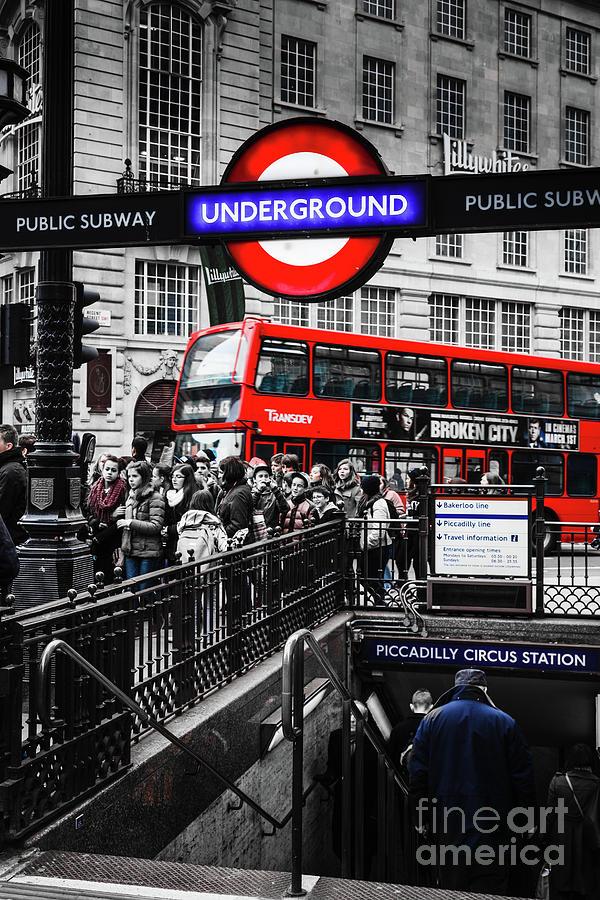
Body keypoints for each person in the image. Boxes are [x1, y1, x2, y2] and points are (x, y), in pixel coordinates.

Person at [409, 668, 535, 895]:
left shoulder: (431, 720)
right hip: (493, 822)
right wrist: (527, 818)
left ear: (455, 688)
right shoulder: (505, 722)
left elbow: (418, 773)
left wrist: (421, 817)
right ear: (484, 689)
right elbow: (522, 776)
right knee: (490, 885)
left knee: (452, 885)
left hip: (447, 821)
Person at [545, 743, 600, 900]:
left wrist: (542, 837)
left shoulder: (558, 781)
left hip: (561, 836)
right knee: (586, 882)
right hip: (587, 839)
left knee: (560, 884)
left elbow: (550, 813)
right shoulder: (596, 783)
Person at [117, 460, 165, 582]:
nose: (131, 479)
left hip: (148, 552)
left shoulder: (155, 497)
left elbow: (156, 526)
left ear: (144, 478)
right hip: (131, 550)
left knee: (144, 591)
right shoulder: (130, 496)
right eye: (129, 476)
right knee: (131, 590)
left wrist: (130, 523)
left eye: (135, 476)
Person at [86, 454, 127, 583]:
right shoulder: (95, 488)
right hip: (97, 538)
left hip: (112, 541)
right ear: (102, 470)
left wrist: (112, 518)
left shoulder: (122, 489)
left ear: (119, 473)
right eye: (107, 469)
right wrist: (97, 523)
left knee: (110, 577)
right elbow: (88, 512)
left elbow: (122, 522)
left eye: (113, 470)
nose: (109, 473)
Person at [358, 474, 390, 606]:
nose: (361, 490)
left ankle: (380, 602)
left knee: (372, 578)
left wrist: (366, 544)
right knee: (367, 577)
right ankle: (379, 601)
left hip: (377, 548)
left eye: (362, 487)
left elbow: (379, 530)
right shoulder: (369, 501)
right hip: (371, 547)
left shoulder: (378, 503)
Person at [176, 489, 228, 565]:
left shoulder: (183, 524)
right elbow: (224, 547)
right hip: (208, 571)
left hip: (187, 569)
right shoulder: (214, 524)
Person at [388, 689, 433, 771]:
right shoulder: (437, 729)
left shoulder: (398, 729)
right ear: (431, 707)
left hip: (403, 780)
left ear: (411, 706)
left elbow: (390, 760)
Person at [0, 424, 27, 545]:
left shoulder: (11, 471)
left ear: (8, 446)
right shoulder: (8, 468)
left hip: (10, 538)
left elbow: (3, 507)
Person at [164, 463, 197, 562]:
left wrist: (169, 529)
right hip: (171, 542)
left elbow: (190, 521)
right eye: (173, 476)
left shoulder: (192, 496)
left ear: (187, 479)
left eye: (178, 477)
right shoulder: (169, 495)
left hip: (187, 541)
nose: (174, 479)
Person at [217, 455, 253, 545]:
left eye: (221, 473)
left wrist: (219, 533)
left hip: (233, 544)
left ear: (229, 474)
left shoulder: (238, 494)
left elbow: (238, 525)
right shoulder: (230, 490)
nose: (218, 476)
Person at [251, 463, 288, 532]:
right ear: (254, 479)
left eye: (266, 476)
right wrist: (258, 491)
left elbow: (285, 508)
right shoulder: (250, 493)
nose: (263, 479)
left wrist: (275, 490)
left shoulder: (274, 493)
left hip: (271, 531)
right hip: (256, 531)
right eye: (260, 476)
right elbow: (249, 509)